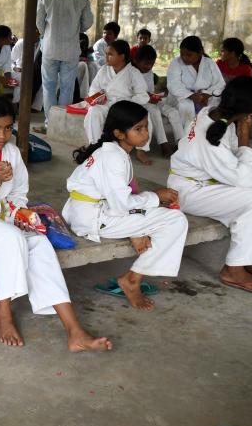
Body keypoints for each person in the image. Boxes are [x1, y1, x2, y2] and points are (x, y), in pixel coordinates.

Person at [0, 96, 112, 351]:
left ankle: (74, 329)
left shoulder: (11, 152)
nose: (2, 135)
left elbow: (19, 193)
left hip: (4, 218)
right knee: (11, 239)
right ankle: (3, 313)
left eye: (8, 128)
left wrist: (19, 214)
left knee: (40, 244)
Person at [63, 101, 188, 310]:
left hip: (95, 211)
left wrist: (137, 226)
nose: (145, 133)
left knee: (160, 210)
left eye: (146, 127)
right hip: (94, 218)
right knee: (175, 221)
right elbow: (122, 204)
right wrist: (156, 197)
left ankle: (135, 245)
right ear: (119, 133)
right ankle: (132, 279)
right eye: (138, 129)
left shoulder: (114, 151)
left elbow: (127, 193)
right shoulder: (113, 158)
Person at [169, 77, 252, 295]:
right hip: (190, 191)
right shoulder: (212, 134)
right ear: (251, 110)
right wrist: (245, 135)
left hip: (207, 184)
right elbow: (244, 179)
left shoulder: (216, 114)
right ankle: (234, 269)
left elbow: (233, 167)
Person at [36, 0, 95, 127]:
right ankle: (61, 123)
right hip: (70, 49)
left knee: (48, 86)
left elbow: (39, 22)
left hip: (49, 47)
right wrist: (75, 30)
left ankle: (50, 122)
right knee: (67, 87)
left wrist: (46, 33)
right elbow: (87, 22)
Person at [82, 39, 154, 165]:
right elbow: (94, 88)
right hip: (106, 104)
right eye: (106, 54)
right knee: (94, 111)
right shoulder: (104, 70)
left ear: (122, 57)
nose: (106, 57)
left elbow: (142, 95)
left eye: (110, 54)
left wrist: (127, 103)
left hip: (125, 106)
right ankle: (95, 145)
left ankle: (141, 151)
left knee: (145, 117)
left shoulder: (133, 72)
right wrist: (98, 97)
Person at [133, 45, 184, 156]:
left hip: (150, 101)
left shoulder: (149, 72)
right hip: (137, 103)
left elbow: (150, 91)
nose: (149, 67)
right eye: (146, 63)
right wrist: (148, 97)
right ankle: (163, 144)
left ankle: (180, 143)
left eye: (152, 64)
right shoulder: (131, 72)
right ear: (136, 61)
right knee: (154, 110)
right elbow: (132, 94)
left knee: (173, 112)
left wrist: (154, 97)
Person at [166, 35, 225, 128]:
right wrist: (191, 95)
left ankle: (209, 135)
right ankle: (187, 136)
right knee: (185, 105)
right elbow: (173, 85)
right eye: (182, 54)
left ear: (200, 52)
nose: (184, 58)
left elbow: (220, 84)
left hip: (205, 96)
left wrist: (207, 94)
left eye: (189, 55)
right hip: (182, 96)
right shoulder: (176, 63)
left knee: (215, 105)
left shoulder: (209, 63)